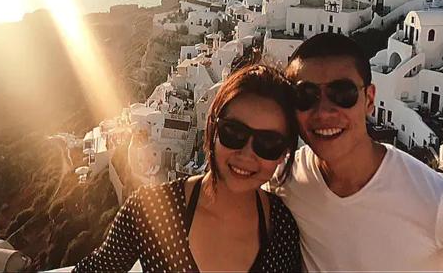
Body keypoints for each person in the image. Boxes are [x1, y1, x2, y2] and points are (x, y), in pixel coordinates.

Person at [274, 32, 443, 272]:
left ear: (369, 99)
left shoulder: (438, 200)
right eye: (305, 96)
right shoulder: (286, 178)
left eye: (343, 94)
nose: (323, 112)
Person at [74, 64, 301, 272]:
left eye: (268, 143)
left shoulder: (282, 229)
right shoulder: (150, 212)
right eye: (234, 133)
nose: (247, 154)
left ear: (284, 153)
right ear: (213, 129)